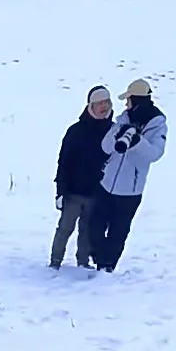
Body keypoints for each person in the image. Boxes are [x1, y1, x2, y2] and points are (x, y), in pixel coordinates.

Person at [89, 79, 167, 274]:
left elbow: (154, 154)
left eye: (129, 99)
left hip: (130, 191)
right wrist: (117, 134)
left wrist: (137, 141)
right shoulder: (123, 119)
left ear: (137, 100)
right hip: (106, 184)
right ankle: (99, 259)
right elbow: (106, 147)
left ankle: (107, 268)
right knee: (94, 226)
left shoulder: (157, 125)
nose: (126, 104)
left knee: (118, 233)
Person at [51, 85, 114, 270]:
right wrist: (61, 191)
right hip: (74, 193)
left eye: (106, 102)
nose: (103, 107)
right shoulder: (76, 131)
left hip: (98, 193)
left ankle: (83, 263)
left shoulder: (113, 131)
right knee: (65, 229)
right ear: (90, 106)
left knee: (87, 231)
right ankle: (55, 262)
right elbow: (64, 163)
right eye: (99, 103)